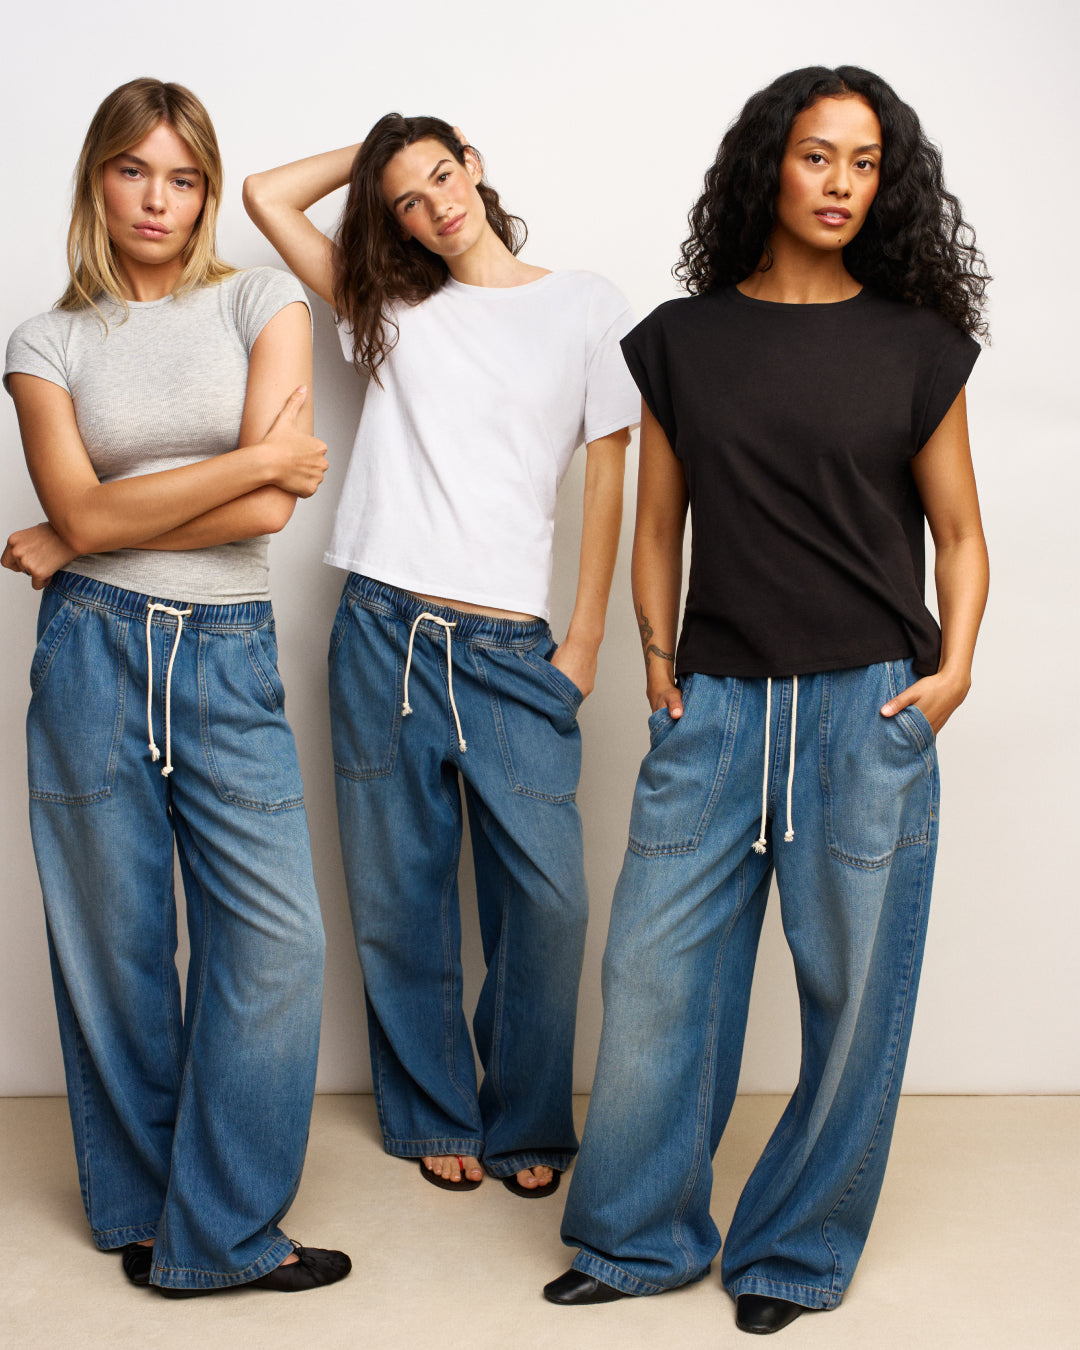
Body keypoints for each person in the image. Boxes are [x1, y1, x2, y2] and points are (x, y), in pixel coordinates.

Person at [544, 65, 989, 1334]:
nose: (843, 183)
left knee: (853, 1001)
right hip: (720, 709)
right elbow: (658, 526)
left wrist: (953, 671)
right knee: (655, 981)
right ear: (768, 166)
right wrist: (657, 663)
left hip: (868, 711)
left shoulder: (916, 346)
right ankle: (637, 1240)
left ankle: (792, 1253)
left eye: (866, 163)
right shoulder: (684, 341)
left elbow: (960, 534)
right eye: (817, 155)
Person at [244, 115, 637, 1197]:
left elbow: (611, 476)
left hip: (514, 650)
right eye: (406, 201)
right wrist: (377, 145)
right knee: (399, 895)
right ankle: (431, 1112)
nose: (434, 206)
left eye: (440, 175)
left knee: (549, 902)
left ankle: (525, 1119)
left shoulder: (587, 304)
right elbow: (266, 196)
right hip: (383, 630)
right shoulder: (392, 305)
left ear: (473, 162)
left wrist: (586, 640)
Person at [3, 78, 350, 1296]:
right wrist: (238, 464)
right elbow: (106, 507)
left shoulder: (262, 302)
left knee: (278, 944)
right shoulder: (44, 343)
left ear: (207, 193)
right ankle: (147, 1218)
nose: (159, 199)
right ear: (97, 179)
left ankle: (224, 1229)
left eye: (185, 178)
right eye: (134, 171)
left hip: (225, 649)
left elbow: (268, 513)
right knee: (116, 950)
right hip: (90, 652)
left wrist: (83, 528)